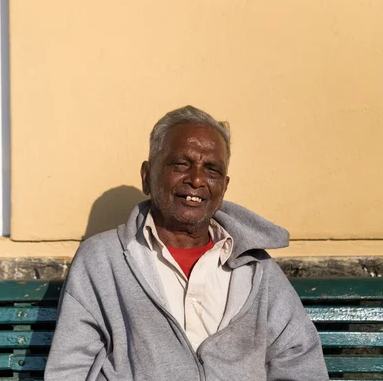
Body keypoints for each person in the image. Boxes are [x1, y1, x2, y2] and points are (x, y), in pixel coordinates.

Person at [45, 106, 329, 381]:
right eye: (180, 164)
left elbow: (299, 360)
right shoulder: (102, 260)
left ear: (224, 187)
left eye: (212, 170)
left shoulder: (256, 267)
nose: (196, 179)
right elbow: (70, 367)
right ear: (147, 176)